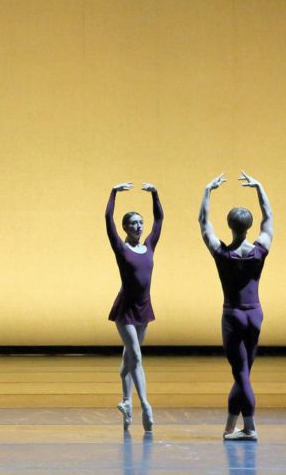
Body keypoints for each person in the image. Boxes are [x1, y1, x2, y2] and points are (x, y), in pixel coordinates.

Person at [199, 171, 274, 441]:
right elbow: (269, 219)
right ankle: (231, 425)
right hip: (255, 314)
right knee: (243, 372)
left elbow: (203, 222)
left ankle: (250, 428)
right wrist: (259, 187)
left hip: (233, 316)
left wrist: (207, 190)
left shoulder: (222, 253)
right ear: (248, 227)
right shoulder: (259, 250)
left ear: (230, 227)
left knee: (241, 373)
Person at [106, 182, 163, 432]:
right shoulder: (121, 248)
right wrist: (113, 193)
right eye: (134, 223)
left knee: (128, 360)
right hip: (126, 310)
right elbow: (108, 217)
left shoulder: (149, 245)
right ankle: (145, 406)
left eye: (141, 223)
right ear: (125, 228)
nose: (139, 226)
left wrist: (155, 194)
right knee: (136, 356)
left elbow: (159, 218)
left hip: (143, 308)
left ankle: (126, 402)